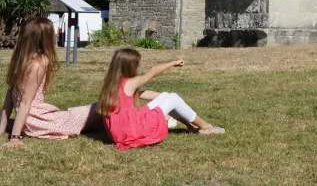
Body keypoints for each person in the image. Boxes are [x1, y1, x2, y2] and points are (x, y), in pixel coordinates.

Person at [0, 17, 103, 149]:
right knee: (99, 108)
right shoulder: (40, 62)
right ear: (45, 39)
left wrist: (2, 128)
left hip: (32, 121)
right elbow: (25, 102)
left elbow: (10, 95)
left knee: (93, 113)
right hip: (41, 121)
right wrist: (15, 138)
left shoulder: (21, 60)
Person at [98, 48, 223, 150]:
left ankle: (190, 126)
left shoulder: (113, 84)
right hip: (132, 130)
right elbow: (153, 71)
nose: (139, 68)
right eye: (138, 65)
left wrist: (165, 99)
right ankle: (205, 127)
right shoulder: (131, 82)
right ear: (130, 66)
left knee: (169, 97)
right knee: (173, 97)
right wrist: (173, 63)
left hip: (120, 131)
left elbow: (143, 94)